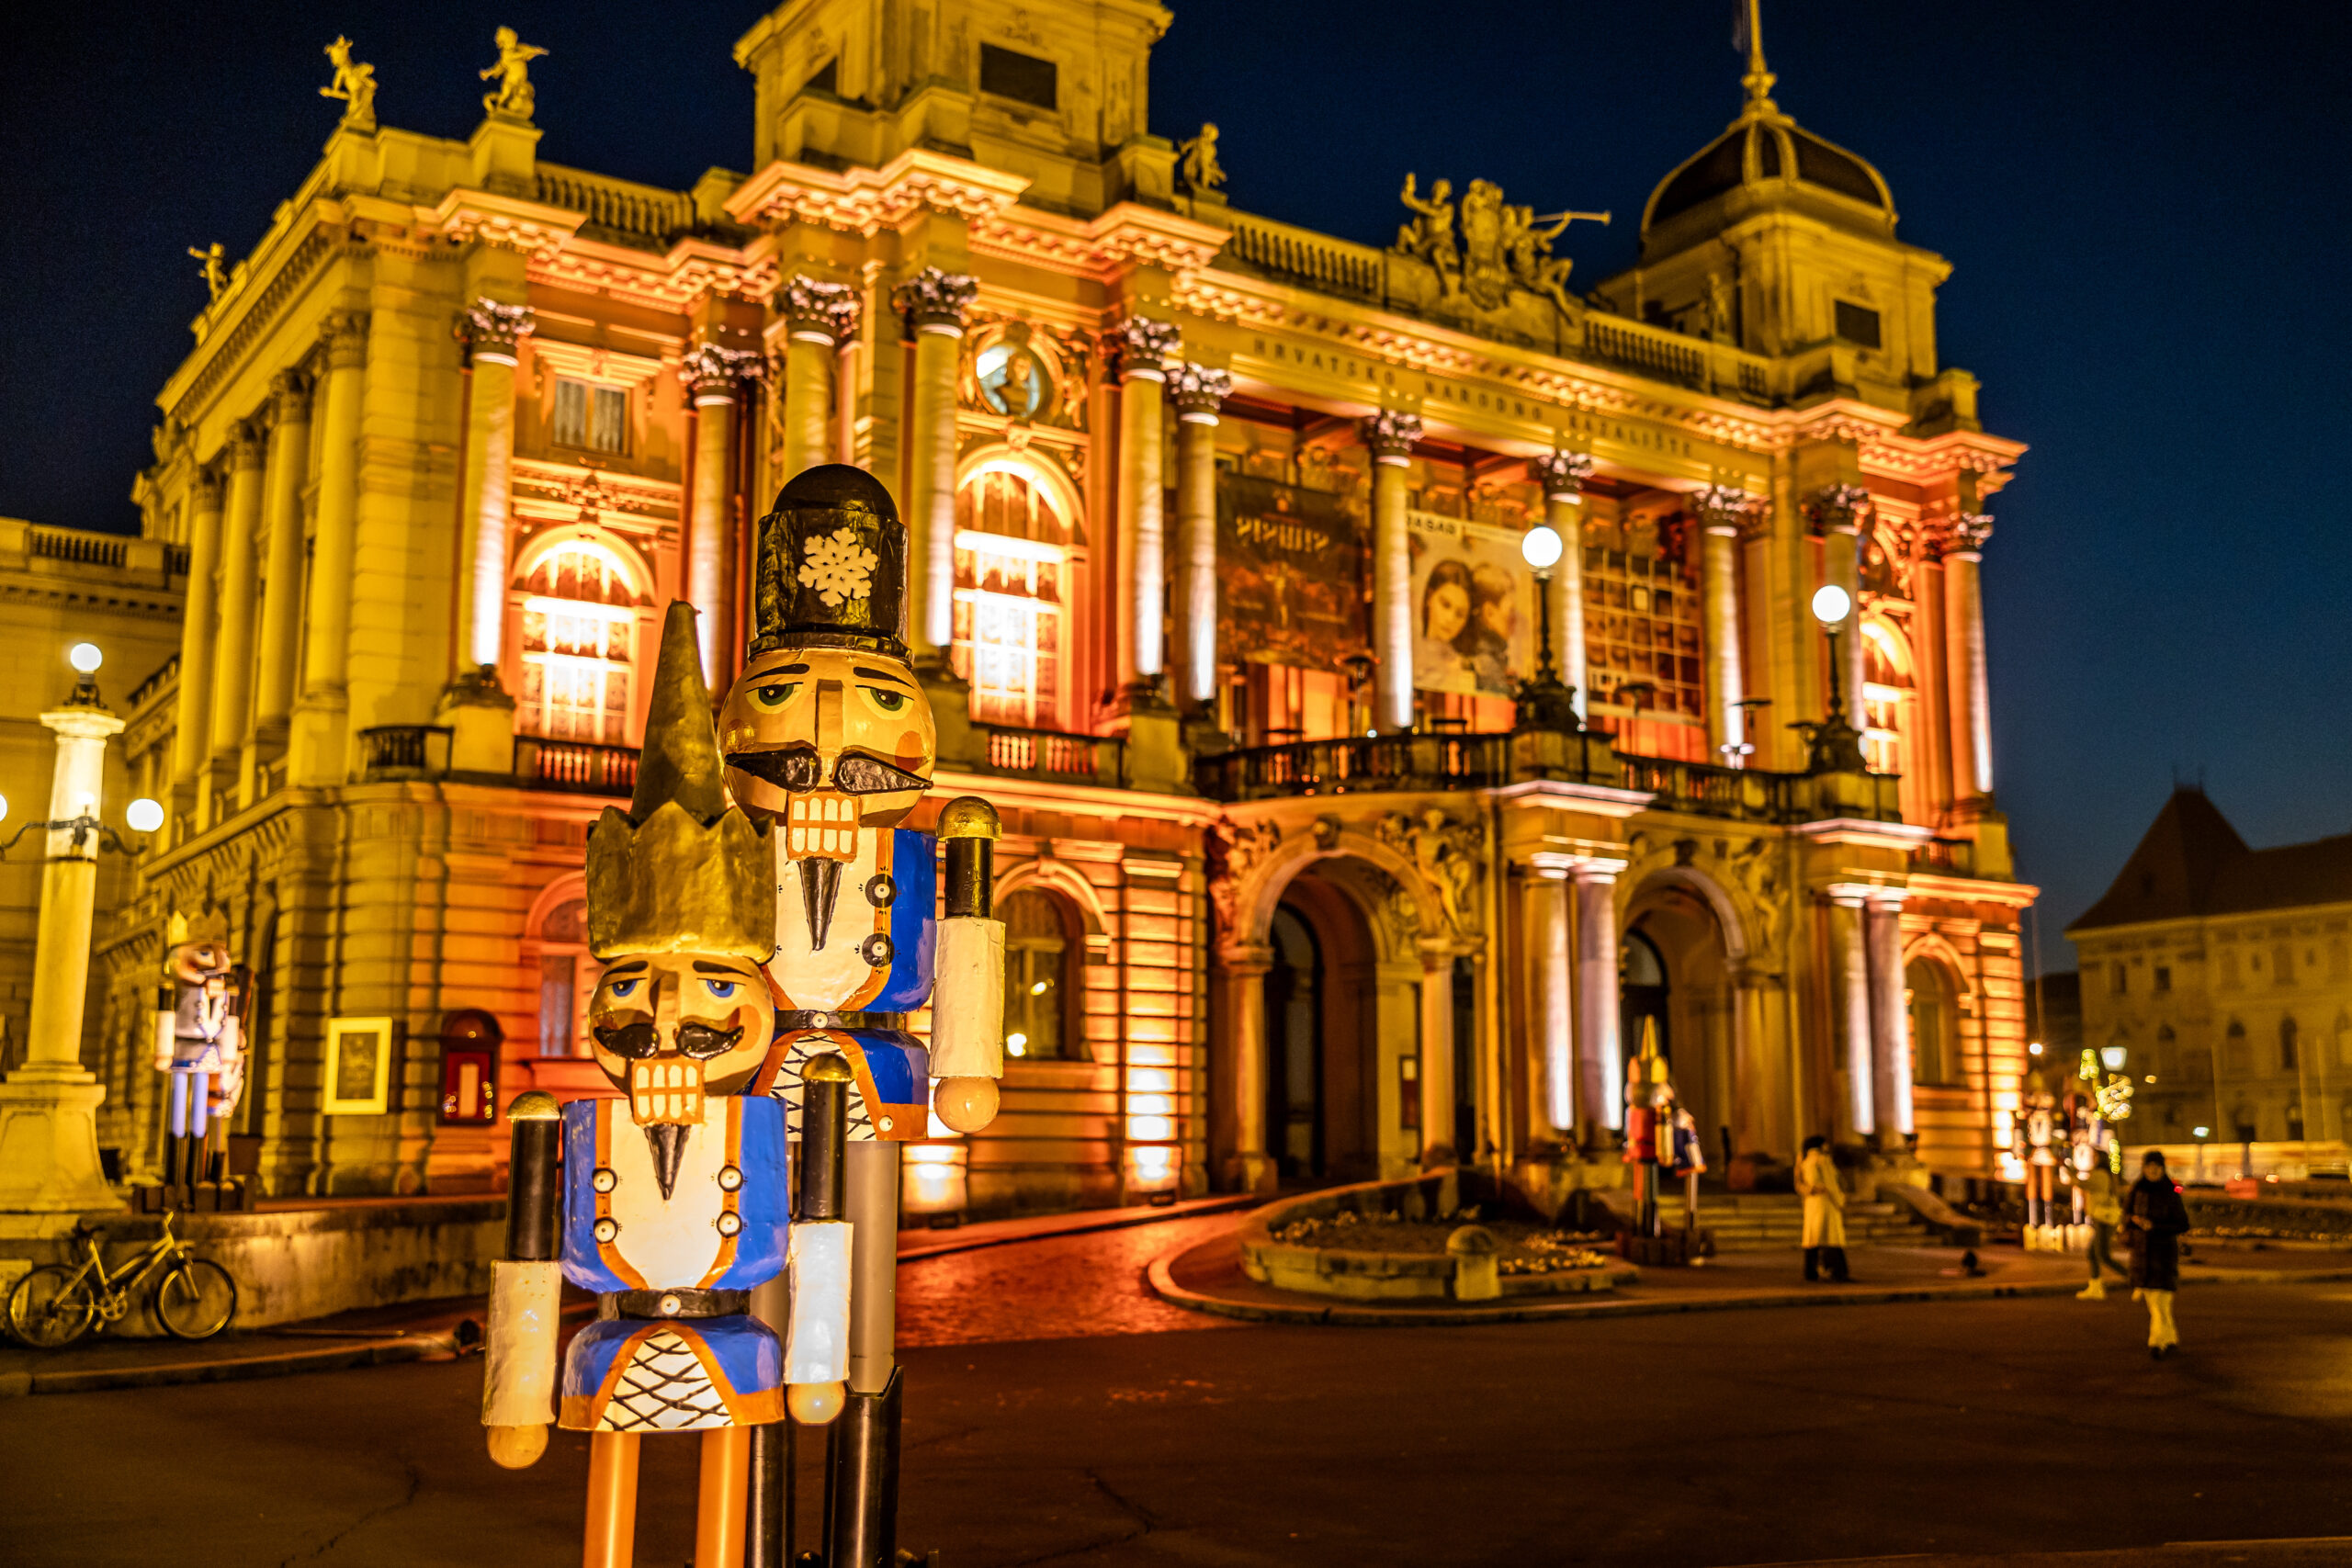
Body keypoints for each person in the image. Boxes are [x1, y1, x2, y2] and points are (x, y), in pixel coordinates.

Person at [2124, 1149, 2189, 1358]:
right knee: (2157, 1304)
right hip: (2142, 1255)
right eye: (2149, 1166)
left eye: (2157, 1167)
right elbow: (2125, 1215)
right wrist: (2134, 1221)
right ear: (2144, 1168)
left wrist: (2155, 1226)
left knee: (2160, 1304)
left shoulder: (2170, 1192)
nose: (2153, 1170)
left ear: (2163, 1168)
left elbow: (2182, 1224)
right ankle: (2169, 1338)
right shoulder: (2137, 1190)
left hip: (2164, 1255)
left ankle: (2156, 1342)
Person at [1796, 1134, 1849, 1282]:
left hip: (1812, 1203)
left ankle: (1810, 1272)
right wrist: (1840, 1201)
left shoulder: (1805, 1160)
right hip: (1826, 1203)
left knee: (1812, 1238)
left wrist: (1810, 1190)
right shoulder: (1823, 1160)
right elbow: (1831, 1184)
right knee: (1831, 1238)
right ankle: (1837, 1271)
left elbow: (1801, 1183)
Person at [1416, 560, 1476, 686]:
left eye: (1460, 614)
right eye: (1445, 605)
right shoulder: (1407, 650)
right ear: (1429, 597)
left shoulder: (1459, 666)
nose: (1450, 619)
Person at [2076, 1159, 2125, 1299]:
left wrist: (2070, 1173)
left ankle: (2135, 1280)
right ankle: (2095, 1286)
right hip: (2106, 1217)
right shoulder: (2109, 1175)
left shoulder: (2099, 1174)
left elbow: (2084, 1184)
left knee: (2102, 1255)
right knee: (2093, 1253)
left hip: (2103, 1218)